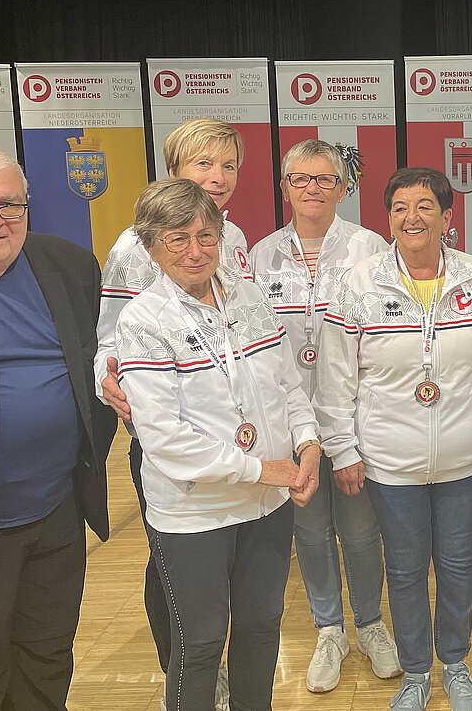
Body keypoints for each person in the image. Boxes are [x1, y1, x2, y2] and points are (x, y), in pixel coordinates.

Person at [114, 178, 320, 711]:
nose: (195, 251)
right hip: (195, 513)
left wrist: (308, 442)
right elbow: (164, 438)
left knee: (260, 628)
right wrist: (263, 469)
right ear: (151, 246)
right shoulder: (143, 320)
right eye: (177, 239)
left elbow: (287, 385)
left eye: (206, 236)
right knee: (201, 644)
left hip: (267, 507)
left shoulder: (249, 297)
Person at [0, 143, 117, 710]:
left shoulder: (71, 266)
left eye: (10, 204)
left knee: (46, 665)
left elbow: (96, 369)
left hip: (55, 518)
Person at [315, 167, 472, 711]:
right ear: (388, 218)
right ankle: (416, 672)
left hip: (464, 456)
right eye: (399, 208)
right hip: (389, 459)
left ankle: (455, 664)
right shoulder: (359, 282)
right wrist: (342, 449)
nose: (412, 218)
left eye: (424, 206)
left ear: (447, 216)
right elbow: (335, 374)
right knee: (407, 568)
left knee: (458, 565)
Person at [96, 117, 252, 709]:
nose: (218, 176)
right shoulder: (133, 245)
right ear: (175, 170)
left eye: (229, 165)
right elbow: (109, 336)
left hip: (231, 429)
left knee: (224, 557)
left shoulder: (233, 238)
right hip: (170, 430)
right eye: (204, 163)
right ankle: (184, 672)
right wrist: (108, 379)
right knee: (175, 558)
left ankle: (213, 662)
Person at [249, 140, 399, 693]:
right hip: (290, 426)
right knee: (310, 531)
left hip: (355, 420)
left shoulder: (370, 248)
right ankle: (329, 629)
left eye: (325, 179)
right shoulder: (261, 256)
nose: (312, 188)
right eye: (300, 178)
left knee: (360, 531)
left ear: (343, 187)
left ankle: (371, 624)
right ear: (284, 187)